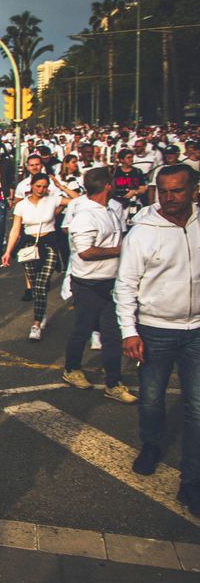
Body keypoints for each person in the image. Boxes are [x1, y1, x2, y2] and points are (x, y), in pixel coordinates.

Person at [116, 165, 200, 515]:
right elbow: (125, 285)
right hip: (155, 330)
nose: (169, 198)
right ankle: (151, 445)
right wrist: (129, 331)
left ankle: (192, 481)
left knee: (196, 408)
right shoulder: (142, 233)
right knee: (151, 398)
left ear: (194, 190)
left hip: (196, 331)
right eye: (163, 191)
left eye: (177, 191)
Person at [61, 167, 136, 402]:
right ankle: (71, 369)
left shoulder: (111, 210)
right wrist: (121, 250)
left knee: (112, 334)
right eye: (112, 182)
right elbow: (85, 252)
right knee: (83, 329)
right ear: (107, 185)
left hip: (109, 282)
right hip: (87, 284)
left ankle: (113, 383)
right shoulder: (85, 216)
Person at [2, 173, 73, 341]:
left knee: (41, 285)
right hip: (28, 246)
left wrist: (60, 185)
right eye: (38, 186)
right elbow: (15, 229)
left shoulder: (53, 199)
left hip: (49, 244)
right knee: (36, 286)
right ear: (31, 185)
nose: (41, 190)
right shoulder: (22, 206)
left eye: (44, 186)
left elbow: (79, 200)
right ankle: (41, 313)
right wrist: (7, 251)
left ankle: (36, 323)